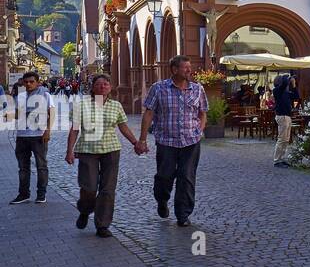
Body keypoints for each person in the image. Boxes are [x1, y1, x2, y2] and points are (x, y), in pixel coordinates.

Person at [64, 74, 145, 238]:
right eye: (99, 84)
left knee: (108, 190)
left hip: (111, 150)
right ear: (92, 87)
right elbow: (74, 129)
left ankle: (102, 225)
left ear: (110, 87)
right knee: (89, 187)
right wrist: (69, 151)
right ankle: (85, 210)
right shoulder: (81, 105)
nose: (103, 86)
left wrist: (136, 142)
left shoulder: (116, 106)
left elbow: (123, 127)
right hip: (87, 150)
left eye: (106, 84)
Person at [138, 57, 208, 228]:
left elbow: (203, 112)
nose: (189, 71)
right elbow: (148, 113)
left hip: (191, 141)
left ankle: (182, 214)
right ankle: (162, 200)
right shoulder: (159, 88)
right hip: (166, 141)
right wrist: (142, 139)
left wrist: (200, 130)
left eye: (189, 67)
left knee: (186, 177)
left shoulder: (198, 89)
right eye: (185, 68)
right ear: (174, 70)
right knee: (165, 176)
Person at [10, 71, 51, 205]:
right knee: (23, 167)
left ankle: (41, 195)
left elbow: (52, 113)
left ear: (37, 82)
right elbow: (17, 114)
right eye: (26, 82)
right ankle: (23, 194)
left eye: (31, 81)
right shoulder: (20, 96)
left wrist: (47, 131)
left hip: (38, 135)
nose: (28, 84)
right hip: (22, 136)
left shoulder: (45, 94)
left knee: (41, 166)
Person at [271, 74, 300, 167]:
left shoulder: (286, 92)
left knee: (286, 140)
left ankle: (282, 158)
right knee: (281, 139)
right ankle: (277, 160)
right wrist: (287, 78)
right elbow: (283, 84)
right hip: (282, 116)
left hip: (287, 116)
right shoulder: (276, 91)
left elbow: (296, 96)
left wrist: (294, 84)